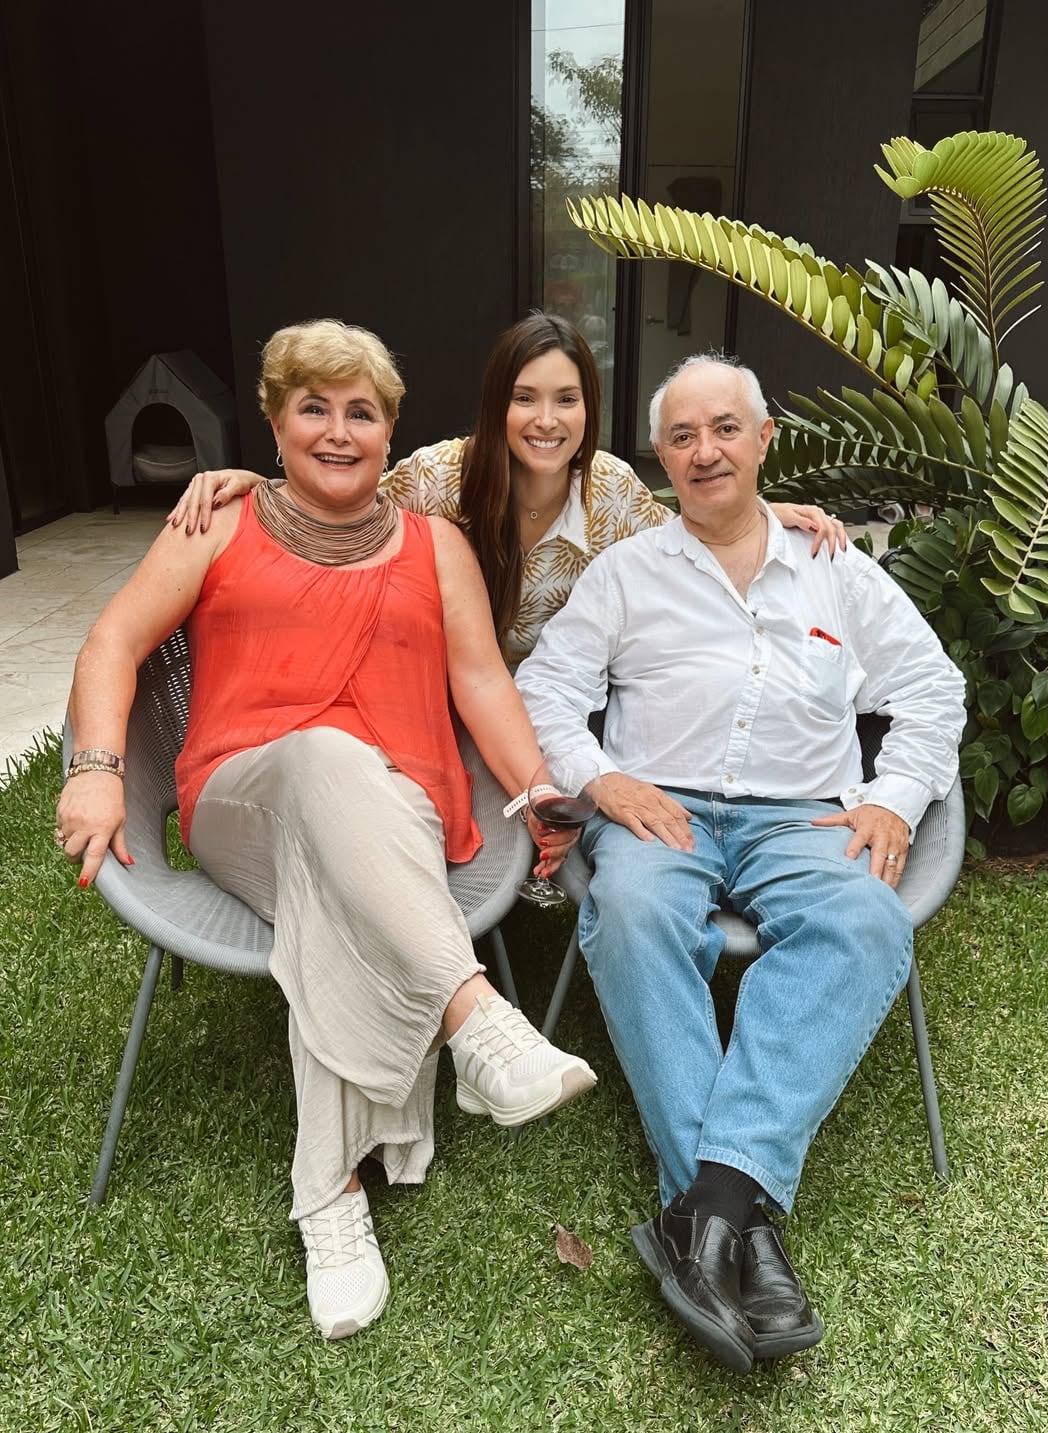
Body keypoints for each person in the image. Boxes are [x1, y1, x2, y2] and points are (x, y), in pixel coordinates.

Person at [54, 319, 597, 1341]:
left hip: (399, 809)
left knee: (331, 881)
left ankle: (332, 1200)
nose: (339, 431)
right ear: (274, 419)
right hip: (247, 794)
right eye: (315, 408)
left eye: (362, 412)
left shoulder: (434, 544)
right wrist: (94, 769)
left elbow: (481, 680)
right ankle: (471, 1016)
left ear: (392, 431)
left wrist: (530, 791)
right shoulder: (215, 522)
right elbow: (114, 639)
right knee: (320, 755)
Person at [514, 353, 966, 1371]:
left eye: (725, 428)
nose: (705, 450)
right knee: (630, 910)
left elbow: (933, 691)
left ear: (765, 440)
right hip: (658, 807)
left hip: (801, 816)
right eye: (682, 436)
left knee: (864, 921)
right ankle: (737, 1216)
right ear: (663, 457)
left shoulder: (837, 568)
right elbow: (546, 687)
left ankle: (707, 1206)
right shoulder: (628, 572)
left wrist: (893, 796)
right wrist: (601, 780)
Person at [168, 313, 846, 666]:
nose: (547, 421)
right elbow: (344, 506)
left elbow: (681, 534)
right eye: (525, 398)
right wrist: (267, 486)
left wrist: (754, 511)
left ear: (590, 410)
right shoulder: (439, 477)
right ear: (497, 407)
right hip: (445, 690)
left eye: (567, 400)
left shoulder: (609, 487)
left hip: (565, 699)